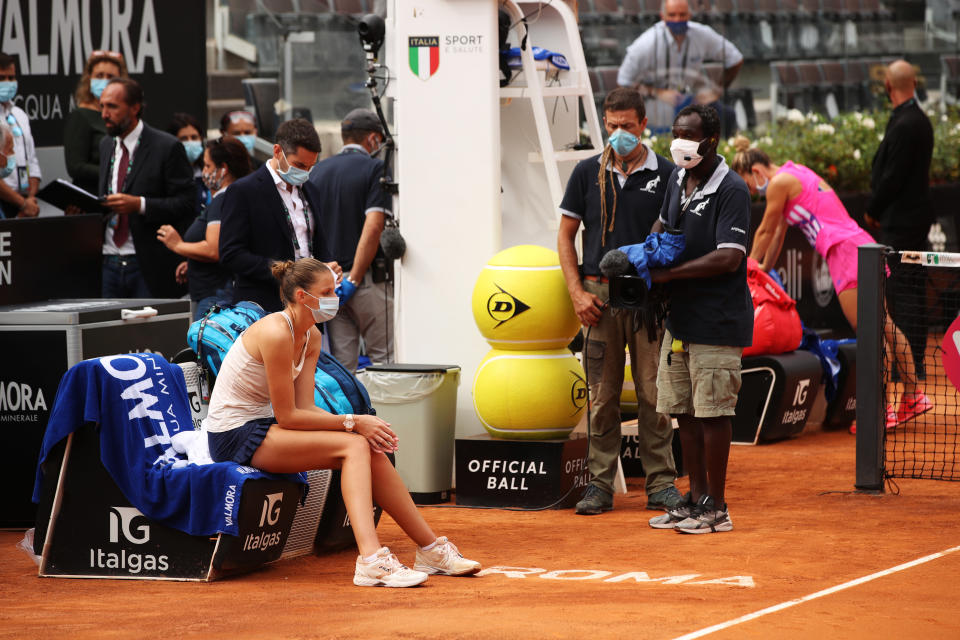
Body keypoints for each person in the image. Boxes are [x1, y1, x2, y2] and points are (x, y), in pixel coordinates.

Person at [204, 257, 481, 587]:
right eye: (327, 291)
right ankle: (370, 559)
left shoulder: (311, 336)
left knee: (366, 446)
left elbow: (306, 406)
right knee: (352, 444)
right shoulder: (276, 332)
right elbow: (288, 416)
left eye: (334, 289)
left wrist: (358, 425)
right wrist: (353, 423)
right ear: (303, 297)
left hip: (266, 428)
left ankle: (431, 549)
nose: (335, 297)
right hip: (234, 435)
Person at [731, 136, 930, 431]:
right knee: (884, 324)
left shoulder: (777, 184)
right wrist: (760, 270)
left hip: (846, 254)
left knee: (870, 332)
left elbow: (763, 231)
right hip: (861, 246)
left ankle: (881, 409)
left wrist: (744, 266)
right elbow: (776, 237)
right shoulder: (795, 173)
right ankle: (913, 397)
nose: (755, 192)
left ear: (756, 171)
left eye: (749, 184)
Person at [557, 87, 681, 516]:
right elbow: (565, 236)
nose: (618, 134)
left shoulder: (668, 175)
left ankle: (662, 484)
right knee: (602, 396)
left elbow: (676, 238)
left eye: (627, 126)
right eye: (611, 126)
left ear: (644, 125)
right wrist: (577, 293)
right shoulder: (586, 173)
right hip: (599, 299)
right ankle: (599, 486)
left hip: (649, 299)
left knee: (654, 393)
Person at [646, 104, 751, 534]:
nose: (680, 142)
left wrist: (669, 274)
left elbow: (729, 257)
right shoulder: (677, 177)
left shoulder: (733, 190)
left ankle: (717, 508)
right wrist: (647, 252)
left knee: (712, 415)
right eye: (676, 133)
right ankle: (694, 499)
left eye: (689, 135)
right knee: (685, 413)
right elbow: (662, 224)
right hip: (681, 320)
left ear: (712, 141)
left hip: (717, 320)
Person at [864, 59, 935, 413]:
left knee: (901, 296)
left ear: (889, 88)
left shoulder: (908, 123)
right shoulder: (914, 119)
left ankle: (911, 368)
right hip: (908, 221)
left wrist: (872, 211)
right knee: (908, 294)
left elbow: (891, 177)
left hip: (900, 224)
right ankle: (913, 365)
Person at [219, 118, 339, 312]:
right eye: (299, 165)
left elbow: (317, 244)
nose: (305, 172)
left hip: (310, 307)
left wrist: (326, 267)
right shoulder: (244, 191)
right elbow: (231, 254)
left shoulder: (311, 190)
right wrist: (285, 272)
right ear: (277, 151)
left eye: (310, 167)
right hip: (264, 305)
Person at [309, 108, 393, 372]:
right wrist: (354, 279)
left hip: (330, 286)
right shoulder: (375, 168)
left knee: (344, 368)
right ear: (372, 139)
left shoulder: (317, 171)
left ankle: (349, 415)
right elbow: (374, 226)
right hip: (366, 281)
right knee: (384, 364)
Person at [98, 77, 196, 298]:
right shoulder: (106, 145)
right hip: (109, 261)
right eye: (102, 106)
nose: (104, 114)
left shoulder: (167, 147)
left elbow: (187, 202)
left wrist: (140, 205)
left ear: (135, 108)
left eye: (112, 106)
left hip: (148, 265)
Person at [158, 136, 252, 320]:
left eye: (208, 166)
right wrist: (192, 261)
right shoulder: (235, 197)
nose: (204, 172)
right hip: (215, 293)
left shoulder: (222, 200)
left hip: (214, 297)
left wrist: (177, 245)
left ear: (223, 169)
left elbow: (214, 249)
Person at [617, 0, 742, 135]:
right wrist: (657, 92)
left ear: (689, 15)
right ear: (662, 16)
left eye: (682, 15)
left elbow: (735, 59)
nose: (677, 19)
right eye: (672, 15)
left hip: (689, 98)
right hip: (653, 101)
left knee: (726, 115)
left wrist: (716, 90)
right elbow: (623, 83)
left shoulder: (701, 34)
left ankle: (719, 152)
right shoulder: (645, 44)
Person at [64, 50, 128, 196]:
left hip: (122, 195)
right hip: (91, 196)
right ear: (89, 79)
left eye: (111, 77)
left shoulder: (126, 116)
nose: (105, 80)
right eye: (99, 76)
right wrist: (118, 171)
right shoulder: (81, 116)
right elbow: (76, 167)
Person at [0, 52, 40, 218]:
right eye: (2, 78)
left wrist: (29, 200)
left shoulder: (20, 115)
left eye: (12, 78)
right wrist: (21, 203)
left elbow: (32, 161)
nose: (8, 83)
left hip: (25, 204)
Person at [168, 112, 210, 214]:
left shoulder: (208, 169)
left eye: (194, 137)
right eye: (184, 139)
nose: (190, 142)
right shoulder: (167, 172)